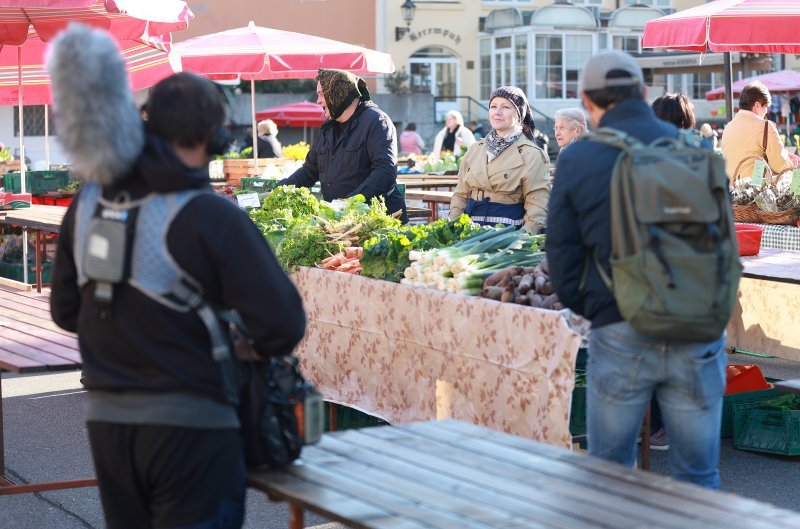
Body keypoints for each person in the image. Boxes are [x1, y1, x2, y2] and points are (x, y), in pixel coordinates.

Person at [47, 26, 306, 529]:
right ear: (217, 136)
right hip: (193, 429)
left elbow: (66, 311)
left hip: (108, 423)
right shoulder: (211, 214)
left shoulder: (89, 201)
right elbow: (283, 324)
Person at [547, 50, 727, 489]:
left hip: (621, 323)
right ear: (643, 93)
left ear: (587, 101)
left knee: (612, 475)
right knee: (697, 475)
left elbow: (563, 259)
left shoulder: (578, 158)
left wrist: (601, 308)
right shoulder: (699, 149)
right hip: (697, 324)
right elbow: (724, 242)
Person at [279, 68, 407, 222]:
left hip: (376, 220)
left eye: (321, 94)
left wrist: (348, 203)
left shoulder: (376, 122)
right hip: (341, 220)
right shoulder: (326, 129)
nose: (318, 100)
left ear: (338, 93)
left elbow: (385, 172)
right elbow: (308, 172)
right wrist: (279, 190)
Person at [448, 86, 549, 233]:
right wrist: (453, 228)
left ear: (519, 114)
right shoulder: (476, 149)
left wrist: (522, 241)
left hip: (507, 237)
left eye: (506, 107)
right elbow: (461, 193)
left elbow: (537, 205)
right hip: (468, 235)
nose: (497, 112)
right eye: (493, 106)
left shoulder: (531, 154)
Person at [721, 81, 800, 184]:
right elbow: (779, 165)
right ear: (757, 105)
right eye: (766, 106)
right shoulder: (765, 126)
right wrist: (793, 163)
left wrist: (783, 154)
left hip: (732, 190)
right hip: (754, 189)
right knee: (797, 175)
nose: (766, 111)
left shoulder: (729, 127)